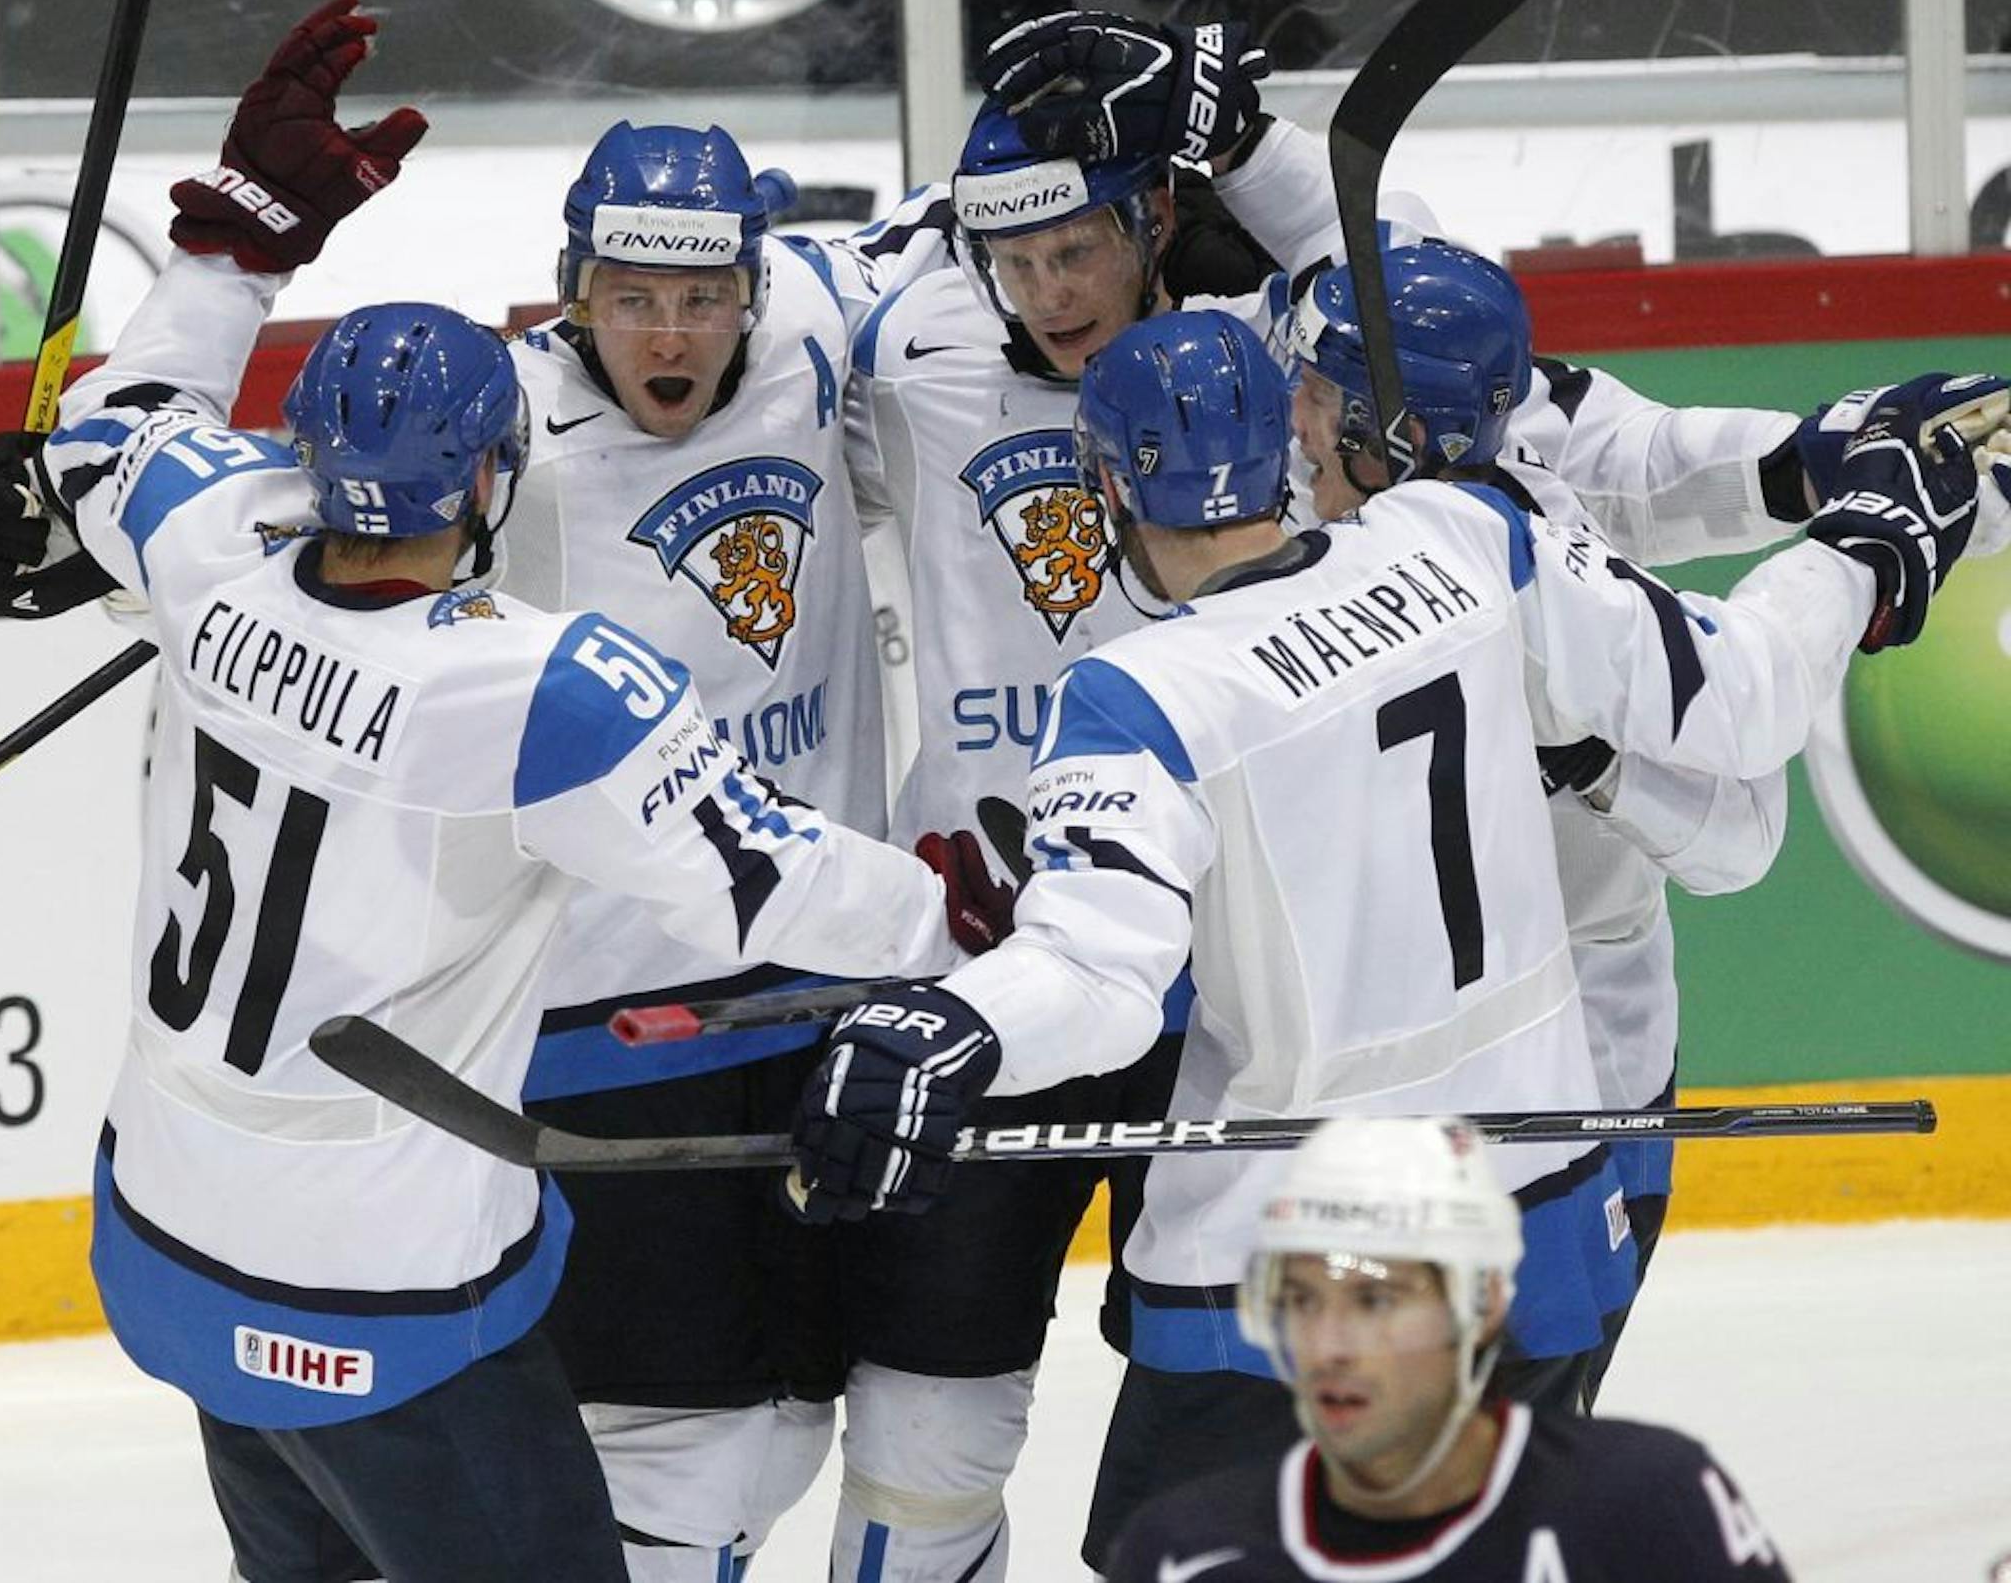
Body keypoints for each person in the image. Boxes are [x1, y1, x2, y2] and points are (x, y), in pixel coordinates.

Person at [0, 0, 972, 1581]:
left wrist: (236, 248)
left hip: (167, 1234)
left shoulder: (213, 558)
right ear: (493, 476)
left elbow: (124, 429)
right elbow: (773, 875)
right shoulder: (528, 686)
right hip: (377, 1288)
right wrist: (967, 909)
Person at [800, 284, 1999, 1567]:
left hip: (1283, 1255)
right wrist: (1863, 540)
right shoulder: (1463, 533)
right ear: (1286, 446)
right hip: (1521, 1221)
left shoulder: (1139, 693)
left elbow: (1101, 971)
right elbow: (1746, 693)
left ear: (1102, 488)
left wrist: (947, 1026)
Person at [971, 4, 2011, 1411]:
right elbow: (1383, 274)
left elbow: (1739, 828)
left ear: (1396, 423)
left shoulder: (1492, 529)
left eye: (1319, 394)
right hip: (1375, 1090)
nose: (1287, 415)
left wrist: (1593, 751)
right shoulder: (1453, 492)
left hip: (1552, 1064)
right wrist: (1240, 142)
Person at [496, 120, 964, 1581]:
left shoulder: (817, 325)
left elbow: (964, 223)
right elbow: (312, 533)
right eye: (632, 297)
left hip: (822, 992)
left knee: (795, 1415)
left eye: (703, 298)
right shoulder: (501, 425)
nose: (671, 332)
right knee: (665, 1439)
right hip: (619, 1023)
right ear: (574, 287)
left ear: (753, 286)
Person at [1106, 1115, 1794, 1580]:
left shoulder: (1646, 1502)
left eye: (1377, 1300)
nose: (1332, 1345)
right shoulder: (1184, 1550)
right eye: (1303, 1299)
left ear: (1484, 1303)